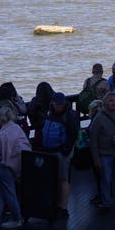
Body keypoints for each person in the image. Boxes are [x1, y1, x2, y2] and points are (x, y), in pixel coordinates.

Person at [88, 91, 115, 215]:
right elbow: (93, 140)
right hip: (104, 154)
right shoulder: (98, 119)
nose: (114, 103)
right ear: (105, 103)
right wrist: (96, 158)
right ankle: (106, 203)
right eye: (111, 100)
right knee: (106, 180)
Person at [39, 92, 79, 220]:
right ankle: (55, 204)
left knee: (63, 179)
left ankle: (63, 207)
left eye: (61, 104)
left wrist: (66, 150)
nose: (59, 106)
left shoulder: (69, 115)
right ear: (53, 103)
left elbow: (73, 134)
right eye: (57, 104)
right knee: (54, 179)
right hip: (50, 151)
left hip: (61, 152)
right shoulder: (50, 113)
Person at [0, 105, 31, 230]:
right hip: (18, 163)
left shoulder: (3, 133)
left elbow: (3, 153)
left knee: (8, 192)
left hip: (6, 165)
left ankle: (16, 218)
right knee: (11, 191)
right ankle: (12, 214)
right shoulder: (16, 128)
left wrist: (3, 163)